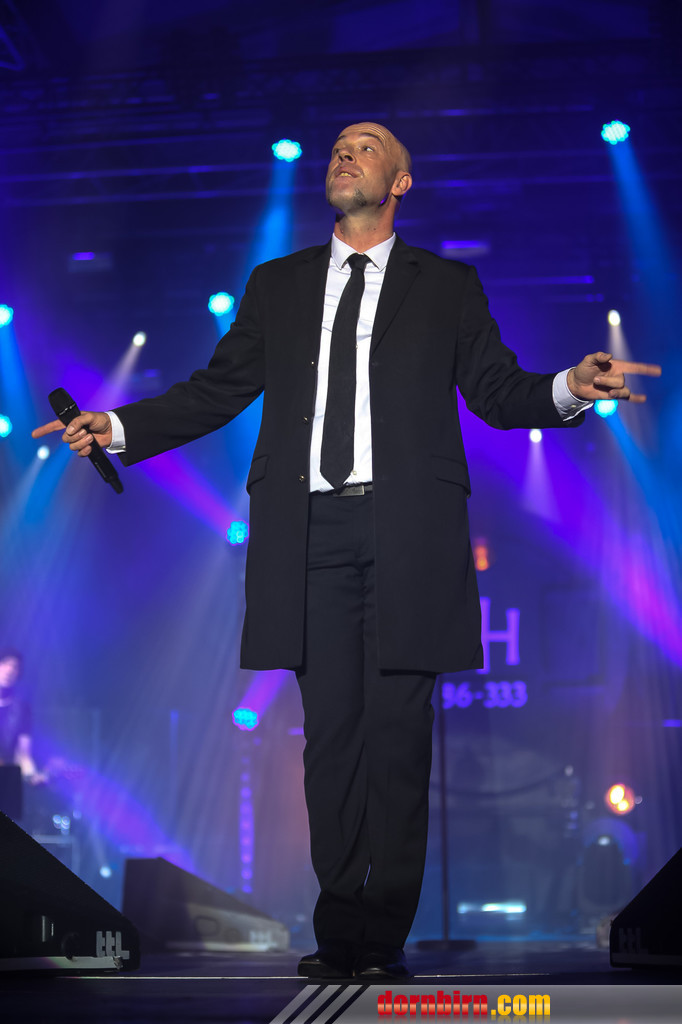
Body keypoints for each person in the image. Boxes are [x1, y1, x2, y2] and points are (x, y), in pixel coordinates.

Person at [33, 122, 661, 979]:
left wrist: (570, 389)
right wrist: (114, 426)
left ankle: (382, 939)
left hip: (409, 533)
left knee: (398, 743)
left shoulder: (445, 285)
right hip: (308, 533)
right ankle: (339, 937)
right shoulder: (279, 283)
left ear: (401, 181)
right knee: (329, 742)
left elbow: (497, 391)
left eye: (365, 146)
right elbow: (217, 391)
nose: (344, 153)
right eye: (337, 146)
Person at [0, 649, 44, 783]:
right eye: (5, 664)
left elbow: (23, 752)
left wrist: (32, 775)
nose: (9, 670)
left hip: (6, 780)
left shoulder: (22, 709)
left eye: (15, 667)